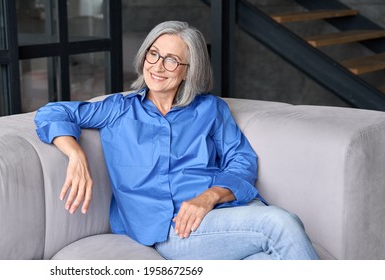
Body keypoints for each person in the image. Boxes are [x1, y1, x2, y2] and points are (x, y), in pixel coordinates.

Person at [34, 21, 319, 260]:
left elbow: (241, 160)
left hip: (228, 212)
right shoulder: (117, 109)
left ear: (188, 70)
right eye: (153, 54)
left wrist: (210, 196)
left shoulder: (210, 109)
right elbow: (52, 112)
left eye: (171, 60)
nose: (158, 66)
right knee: (280, 224)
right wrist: (76, 155)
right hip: (173, 228)